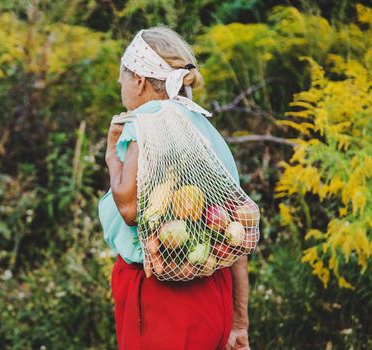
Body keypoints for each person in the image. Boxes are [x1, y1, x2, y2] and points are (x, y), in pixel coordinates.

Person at [98, 26, 251, 350]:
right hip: (214, 294)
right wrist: (239, 321)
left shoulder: (149, 121)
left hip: (162, 303)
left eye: (123, 77)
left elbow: (129, 209)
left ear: (139, 80)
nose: (120, 86)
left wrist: (112, 157)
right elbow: (238, 230)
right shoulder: (201, 125)